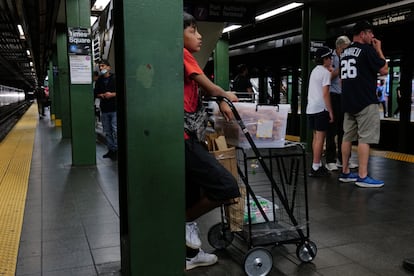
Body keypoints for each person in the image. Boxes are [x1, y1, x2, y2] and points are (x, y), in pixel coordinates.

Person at [183, 11, 241, 271]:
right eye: (193, 31)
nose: (199, 35)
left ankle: (189, 255)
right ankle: (182, 222)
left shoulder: (185, 58)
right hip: (183, 139)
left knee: (191, 193)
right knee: (226, 186)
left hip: (186, 138)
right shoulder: (181, 54)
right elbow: (210, 86)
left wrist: (217, 97)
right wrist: (224, 95)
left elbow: (202, 89)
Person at [338, 20, 388, 187]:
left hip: (348, 101)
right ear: (362, 34)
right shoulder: (367, 50)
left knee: (347, 137)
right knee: (364, 139)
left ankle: (345, 172)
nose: (372, 36)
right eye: (370, 32)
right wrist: (378, 50)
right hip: (365, 101)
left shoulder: (344, 52)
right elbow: (384, 70)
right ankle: (363, 176)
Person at [325, 35, 358, 171]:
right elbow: (328, 77)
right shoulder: (330, 58)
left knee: (345, 129)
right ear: (339, 47)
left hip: (344, 96)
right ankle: (330, 160)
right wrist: (341, 68)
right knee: (332, 129)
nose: (347, 50)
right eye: (345, 48)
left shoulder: (348, 57)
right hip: (333, 95)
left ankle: (343, 159)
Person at [306, 46, 334, 177]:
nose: (332, 60)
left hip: (311, 108)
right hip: (321, 108)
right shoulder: (325, 73)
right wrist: (330, 111)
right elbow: (325, 93)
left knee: (315, 137)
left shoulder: (315, 71)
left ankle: (316, 164)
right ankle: (316, 167)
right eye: (330, 57)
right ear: (325, 59)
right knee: (320, 139)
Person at [94, 59, 117, 160]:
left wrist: (112, 94)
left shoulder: (115, 78)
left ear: (108, 67)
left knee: (115, 130)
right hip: (105, 109)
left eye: (103, 66)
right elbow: (96, 93)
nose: (101, 68)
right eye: (100, 66)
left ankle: (117, 150)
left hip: (115, 108)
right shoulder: (99, 80)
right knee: (107, 131)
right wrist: (103, 95)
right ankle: (111, 150)